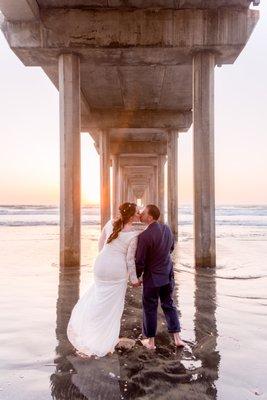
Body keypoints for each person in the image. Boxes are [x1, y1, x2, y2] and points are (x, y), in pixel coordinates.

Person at [67, 202, 141, 358]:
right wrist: (134, 279)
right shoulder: (134, 234)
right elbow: (129, 260)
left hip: (100, 265)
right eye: (137, 212)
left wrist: (105, 259)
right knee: (112, 307)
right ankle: (104, 342)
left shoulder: (110, 223)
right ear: (132, 215)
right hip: (117, 270)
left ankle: (89, 335)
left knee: (98, 301)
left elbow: (101, 244)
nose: (139, 214)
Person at [135, 204, 185, 350]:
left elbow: (140, 261)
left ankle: (150, 342)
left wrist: (136, 276)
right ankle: (177, 338)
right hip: (168, 274)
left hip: (152, 278)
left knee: (150, 307)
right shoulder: (167, 229)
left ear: (150, 217)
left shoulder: (144, 236)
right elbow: (171, 248)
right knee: (169, 304)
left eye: (143, 213)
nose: (141, 215)